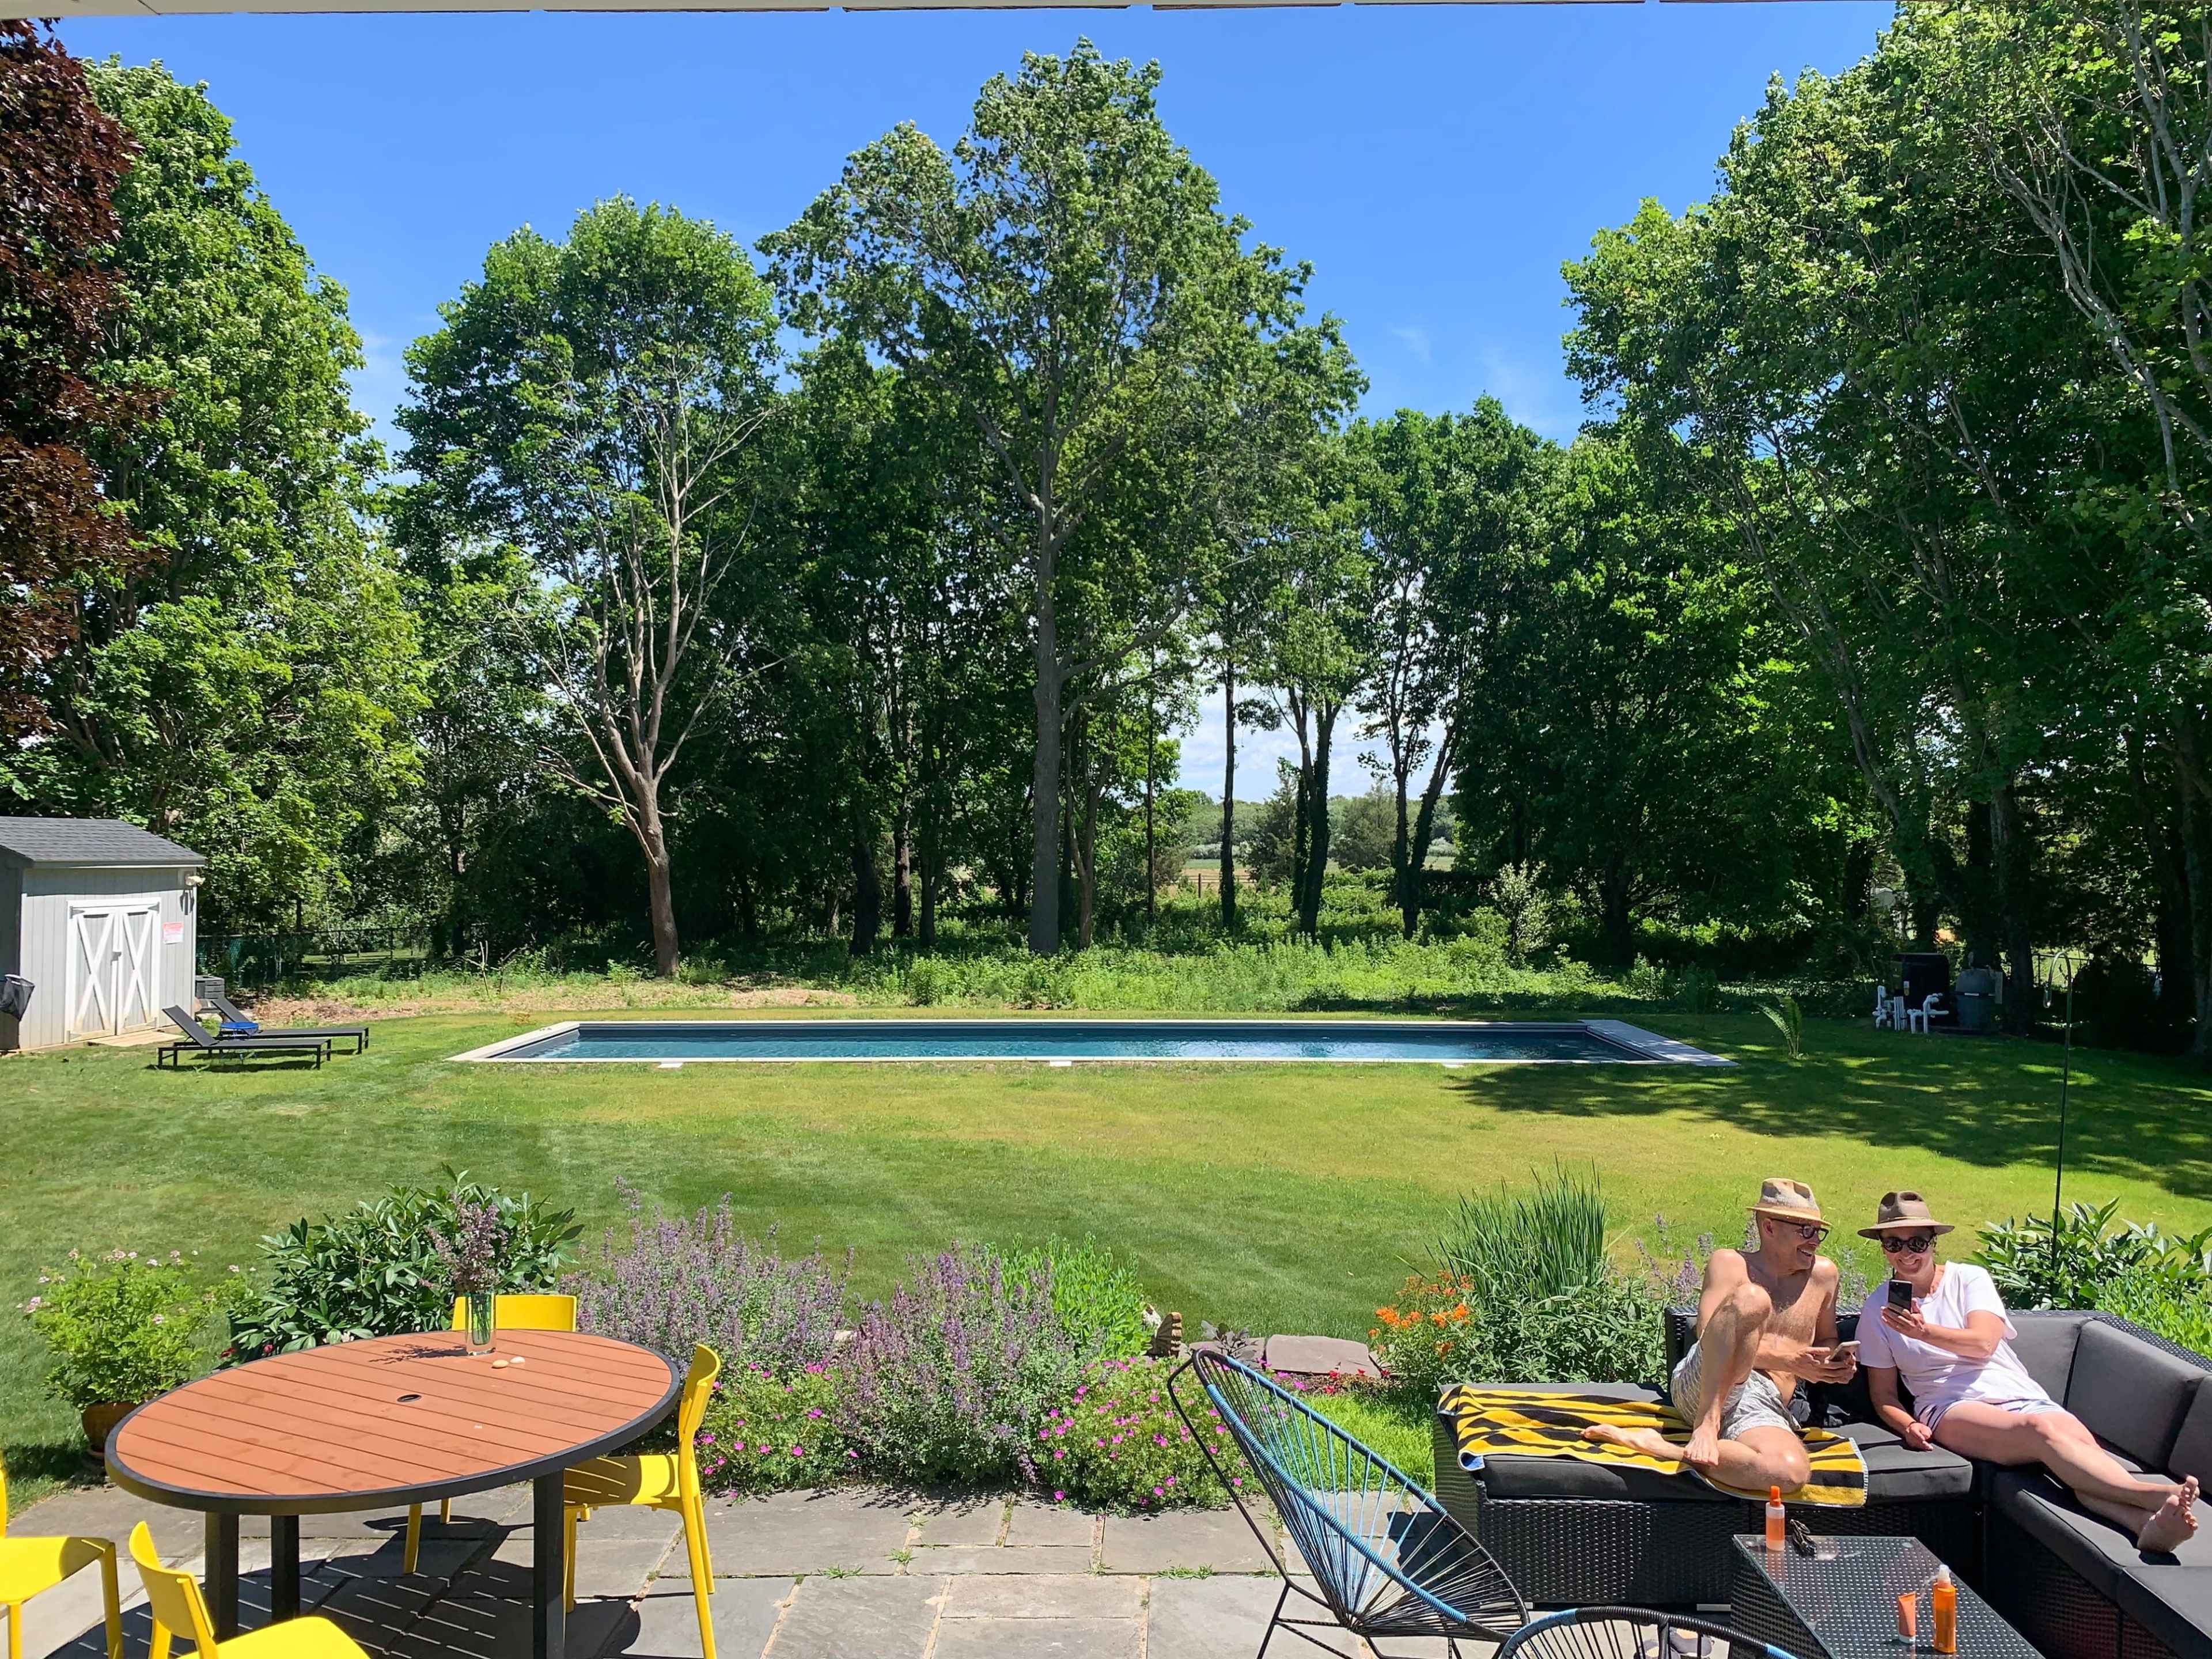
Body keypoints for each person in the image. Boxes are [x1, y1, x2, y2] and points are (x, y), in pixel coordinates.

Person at [1857, 1190, 2200, 1552]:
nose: (1907, 1253)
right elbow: (1884, 1397)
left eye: (1917, 1242)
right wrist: (1908, 1426)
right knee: (2040, 1431)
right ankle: (2149, 1494)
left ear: (1934, 1243)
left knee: (2077, 1447)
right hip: (1949, 1404)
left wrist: (1924, 1332)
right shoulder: (1877, 1309)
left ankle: (2143, 1525)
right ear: (1883, 1247)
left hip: (2016, 1391)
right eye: (1894, 1242)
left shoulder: (1969, 1279)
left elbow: (1983, 1344)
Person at [1586, 1177, 1855, 1491]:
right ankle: (1707, 1424)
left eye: (1818, 1232)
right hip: (1706, 1385)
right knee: (1753, 1299)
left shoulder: (1824, 1276)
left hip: (1762, 1400)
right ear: (1769, 1227)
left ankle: (1664, 1449)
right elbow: (1708, 1336)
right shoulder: (1731, 1264)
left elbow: (1827, 1337)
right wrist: (1790, 1361)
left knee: (1790, 1474)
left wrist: (1834, 1361)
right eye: (1805, 1231)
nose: (1815, 1241)